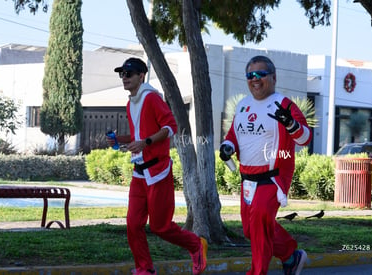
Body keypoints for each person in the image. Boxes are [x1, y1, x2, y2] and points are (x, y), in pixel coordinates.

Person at [108, 57, 207, 275]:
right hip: (139, 173)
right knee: (133, 224)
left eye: (129, 73)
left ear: (141, 76)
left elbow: (170, 126)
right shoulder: (130, 103)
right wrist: (120, 140)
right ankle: (145, 268)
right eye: (122, 74)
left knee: (160, 227)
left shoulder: (151, 98)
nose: (124, 78)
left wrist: (146, 142)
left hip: (158, 172)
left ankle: (196, 245)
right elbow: (138, 136)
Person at [219, 55, 312, 275]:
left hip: (273, 176)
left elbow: (305, 137)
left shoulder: (284, 104)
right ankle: (291, 256)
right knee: (251, 230)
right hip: (248, 179)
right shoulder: (243, 105)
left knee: (260, 224)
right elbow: (233, 134)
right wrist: (228, 146)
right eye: (250, 75)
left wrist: (290, 123)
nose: (255, 79)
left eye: (261, 74)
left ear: (273, 77)